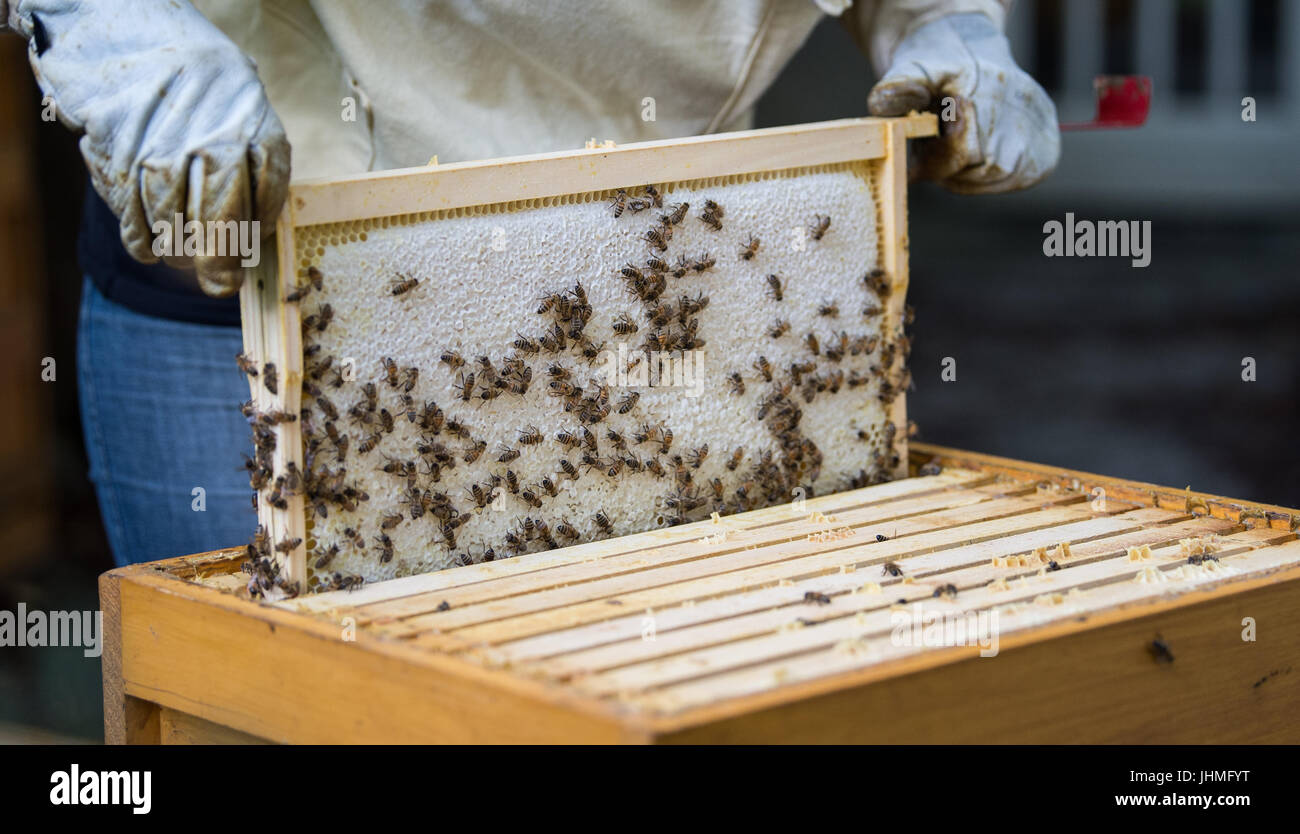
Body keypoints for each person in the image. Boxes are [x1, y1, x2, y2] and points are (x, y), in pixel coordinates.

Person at [2, 0, 1058, 566]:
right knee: (255, 695)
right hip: (276, 224)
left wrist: (947, 19)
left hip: (637, 265)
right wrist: (119, 34)